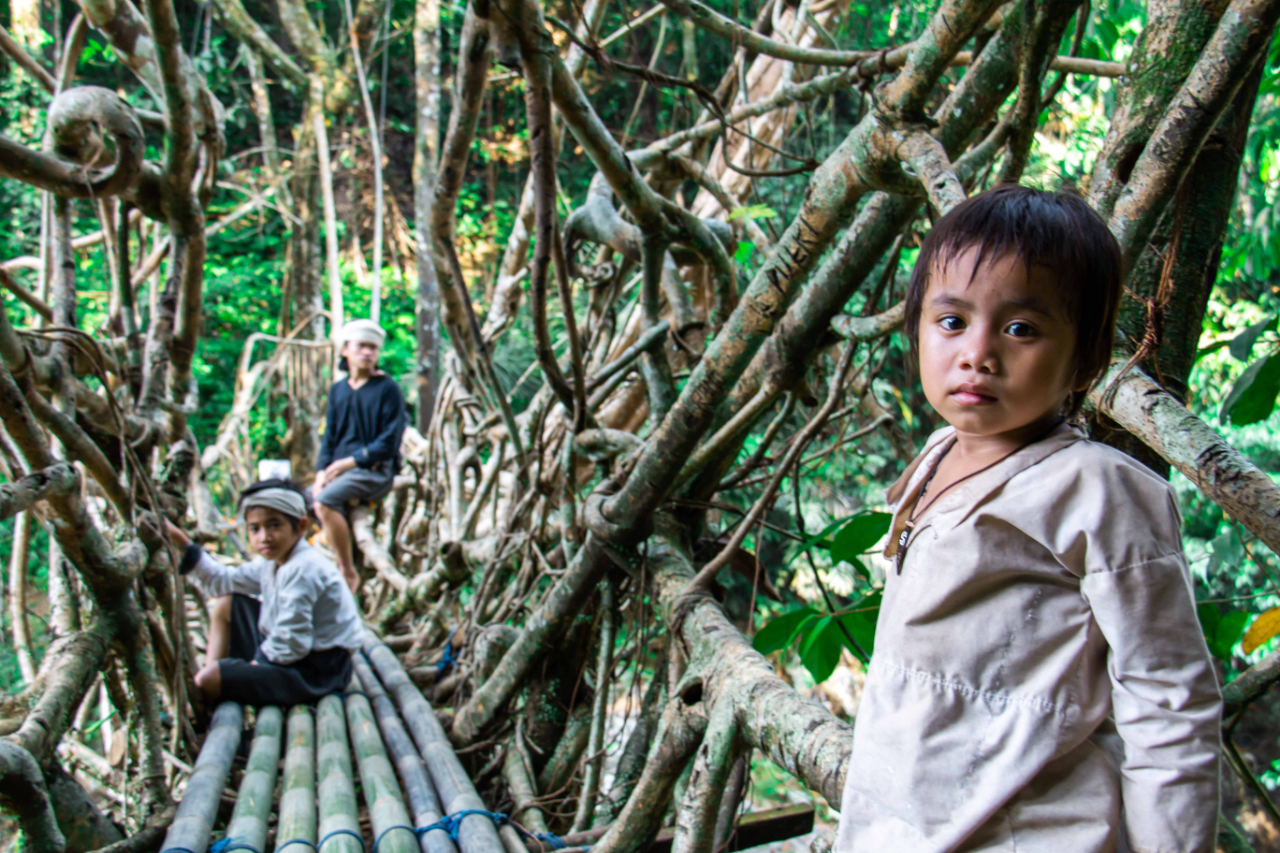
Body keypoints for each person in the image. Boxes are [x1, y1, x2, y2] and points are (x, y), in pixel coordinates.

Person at [835, 185, 1221, 852]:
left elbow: (1169, 700)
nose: (978, 353)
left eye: (1021, 328)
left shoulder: (1099, 492)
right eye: (952, 321)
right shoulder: (934, 456)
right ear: (917, 327)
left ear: (1087, 360)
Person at [163, 479, 363, 707]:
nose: (264, 537)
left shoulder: (303, 568)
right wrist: (180, 541)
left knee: (209, 679)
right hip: (296, 654)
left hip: (316, 672)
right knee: (226, 603)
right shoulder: (272, 562)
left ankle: (208, 699)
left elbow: (291, 643)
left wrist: (254, 668)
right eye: (255, 528)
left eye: (274, 525)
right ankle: (214, 684)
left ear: (300, 526)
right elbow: (222, 581)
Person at [312, 318, 407, 592]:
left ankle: (347, 570)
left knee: (325, 502)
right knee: (301, 502)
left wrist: (347, 464)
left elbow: (389, 442)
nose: (367, 353)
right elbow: (329, 437)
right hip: (340, 473)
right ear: (345, 350)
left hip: (373, 472)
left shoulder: (388, 389)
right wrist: (321, 472)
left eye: (373, 348)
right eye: (361, 346)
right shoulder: (338, 390)